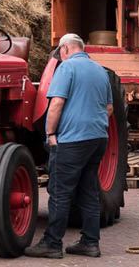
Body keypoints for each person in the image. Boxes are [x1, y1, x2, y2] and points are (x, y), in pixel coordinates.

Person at [25, 33, 113, 259]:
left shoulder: (66, 68)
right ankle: (90, 243)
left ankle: (52, 243)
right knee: (88, 191)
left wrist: (50, 133)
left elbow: (56, 103)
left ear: (65, 49)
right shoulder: (100, 71)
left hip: (73, 140)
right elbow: (109, 108)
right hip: (98, 139)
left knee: (60, 192)